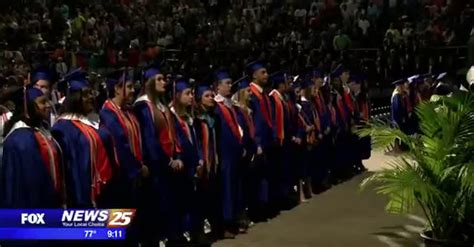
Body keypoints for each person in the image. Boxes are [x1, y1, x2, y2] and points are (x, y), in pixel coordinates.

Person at [133, 65, 184, 245]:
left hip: (170, 165)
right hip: (156, 166)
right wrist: (168, 161)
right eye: (159, 79)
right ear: (149, 82)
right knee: (156, 207)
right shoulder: (143, 106)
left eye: (165, 79)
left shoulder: (162, 105)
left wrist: (178, 155)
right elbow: (149, 140)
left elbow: (174, 133)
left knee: (170, 205)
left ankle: (172, 237)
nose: (165, 82)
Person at [52, 70, 117, 209]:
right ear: (75, 98)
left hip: (105, 190)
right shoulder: (63, 128)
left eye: (91, 93)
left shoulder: (94, 120)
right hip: (82, 195)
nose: (90, 98)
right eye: (85, 95)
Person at [99, 71, 149, 244]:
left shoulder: (128, 111)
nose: (133, 90)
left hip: (134, 175)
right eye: (128, 86)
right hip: (121, 177)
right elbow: (120, 145)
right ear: (117, 89)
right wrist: (137, 168)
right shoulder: (108, 114)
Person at [1, 86, 64, 208]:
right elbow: (33, 184)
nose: (49, 105)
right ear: (28, 107)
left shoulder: (39, 130)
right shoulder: (22, 139)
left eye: (48, 100)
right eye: (43, 102)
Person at [169, 78, 206, 245]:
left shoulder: (188, 116)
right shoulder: (170, 116)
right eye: (187, 93)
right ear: (177, 95)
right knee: (179, 204)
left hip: (192, 166)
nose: (192, 96)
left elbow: (195, 140)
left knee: (193, 202)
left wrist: (199, 159)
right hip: (179, 168)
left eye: (192, 93)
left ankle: (194, 232)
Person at [213, 70, 244, 238]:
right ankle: (227, 223)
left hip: (234, 152)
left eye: (231, 83)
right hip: (224, 154)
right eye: (227, 83)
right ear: (217, 86)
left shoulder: (230, 105)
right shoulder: (216, 107)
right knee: (226, 190)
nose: (230, 86)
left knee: (235, 188)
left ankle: (235, 219)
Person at [246, 61, 275, 219]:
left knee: (265, 175)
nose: (266, 75)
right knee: (256, 178)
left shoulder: (264, 94)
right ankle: (256, 210)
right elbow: (251, 121)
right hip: (257, 142)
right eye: (262, 72)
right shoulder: (250, 94)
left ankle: (265, 206)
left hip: (267, 140)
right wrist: (256, 142)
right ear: (254, 75)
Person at [194, 82, 220, 239]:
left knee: (212, 195)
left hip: (214, 163)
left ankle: (212, 226)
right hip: (203, 163)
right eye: (207, 96)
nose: (211, 98)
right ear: (199, 99)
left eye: (212, 95)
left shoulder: (213, 117)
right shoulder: (196, 120)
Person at [268, 72, 293, 207]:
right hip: (279, 139)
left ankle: (285, 196)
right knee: (280, 170)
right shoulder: (273, 98)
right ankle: (281, 198)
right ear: (281, 85)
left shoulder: (283, 98)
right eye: (286, 83)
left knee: (285, 169)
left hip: (286, 138)